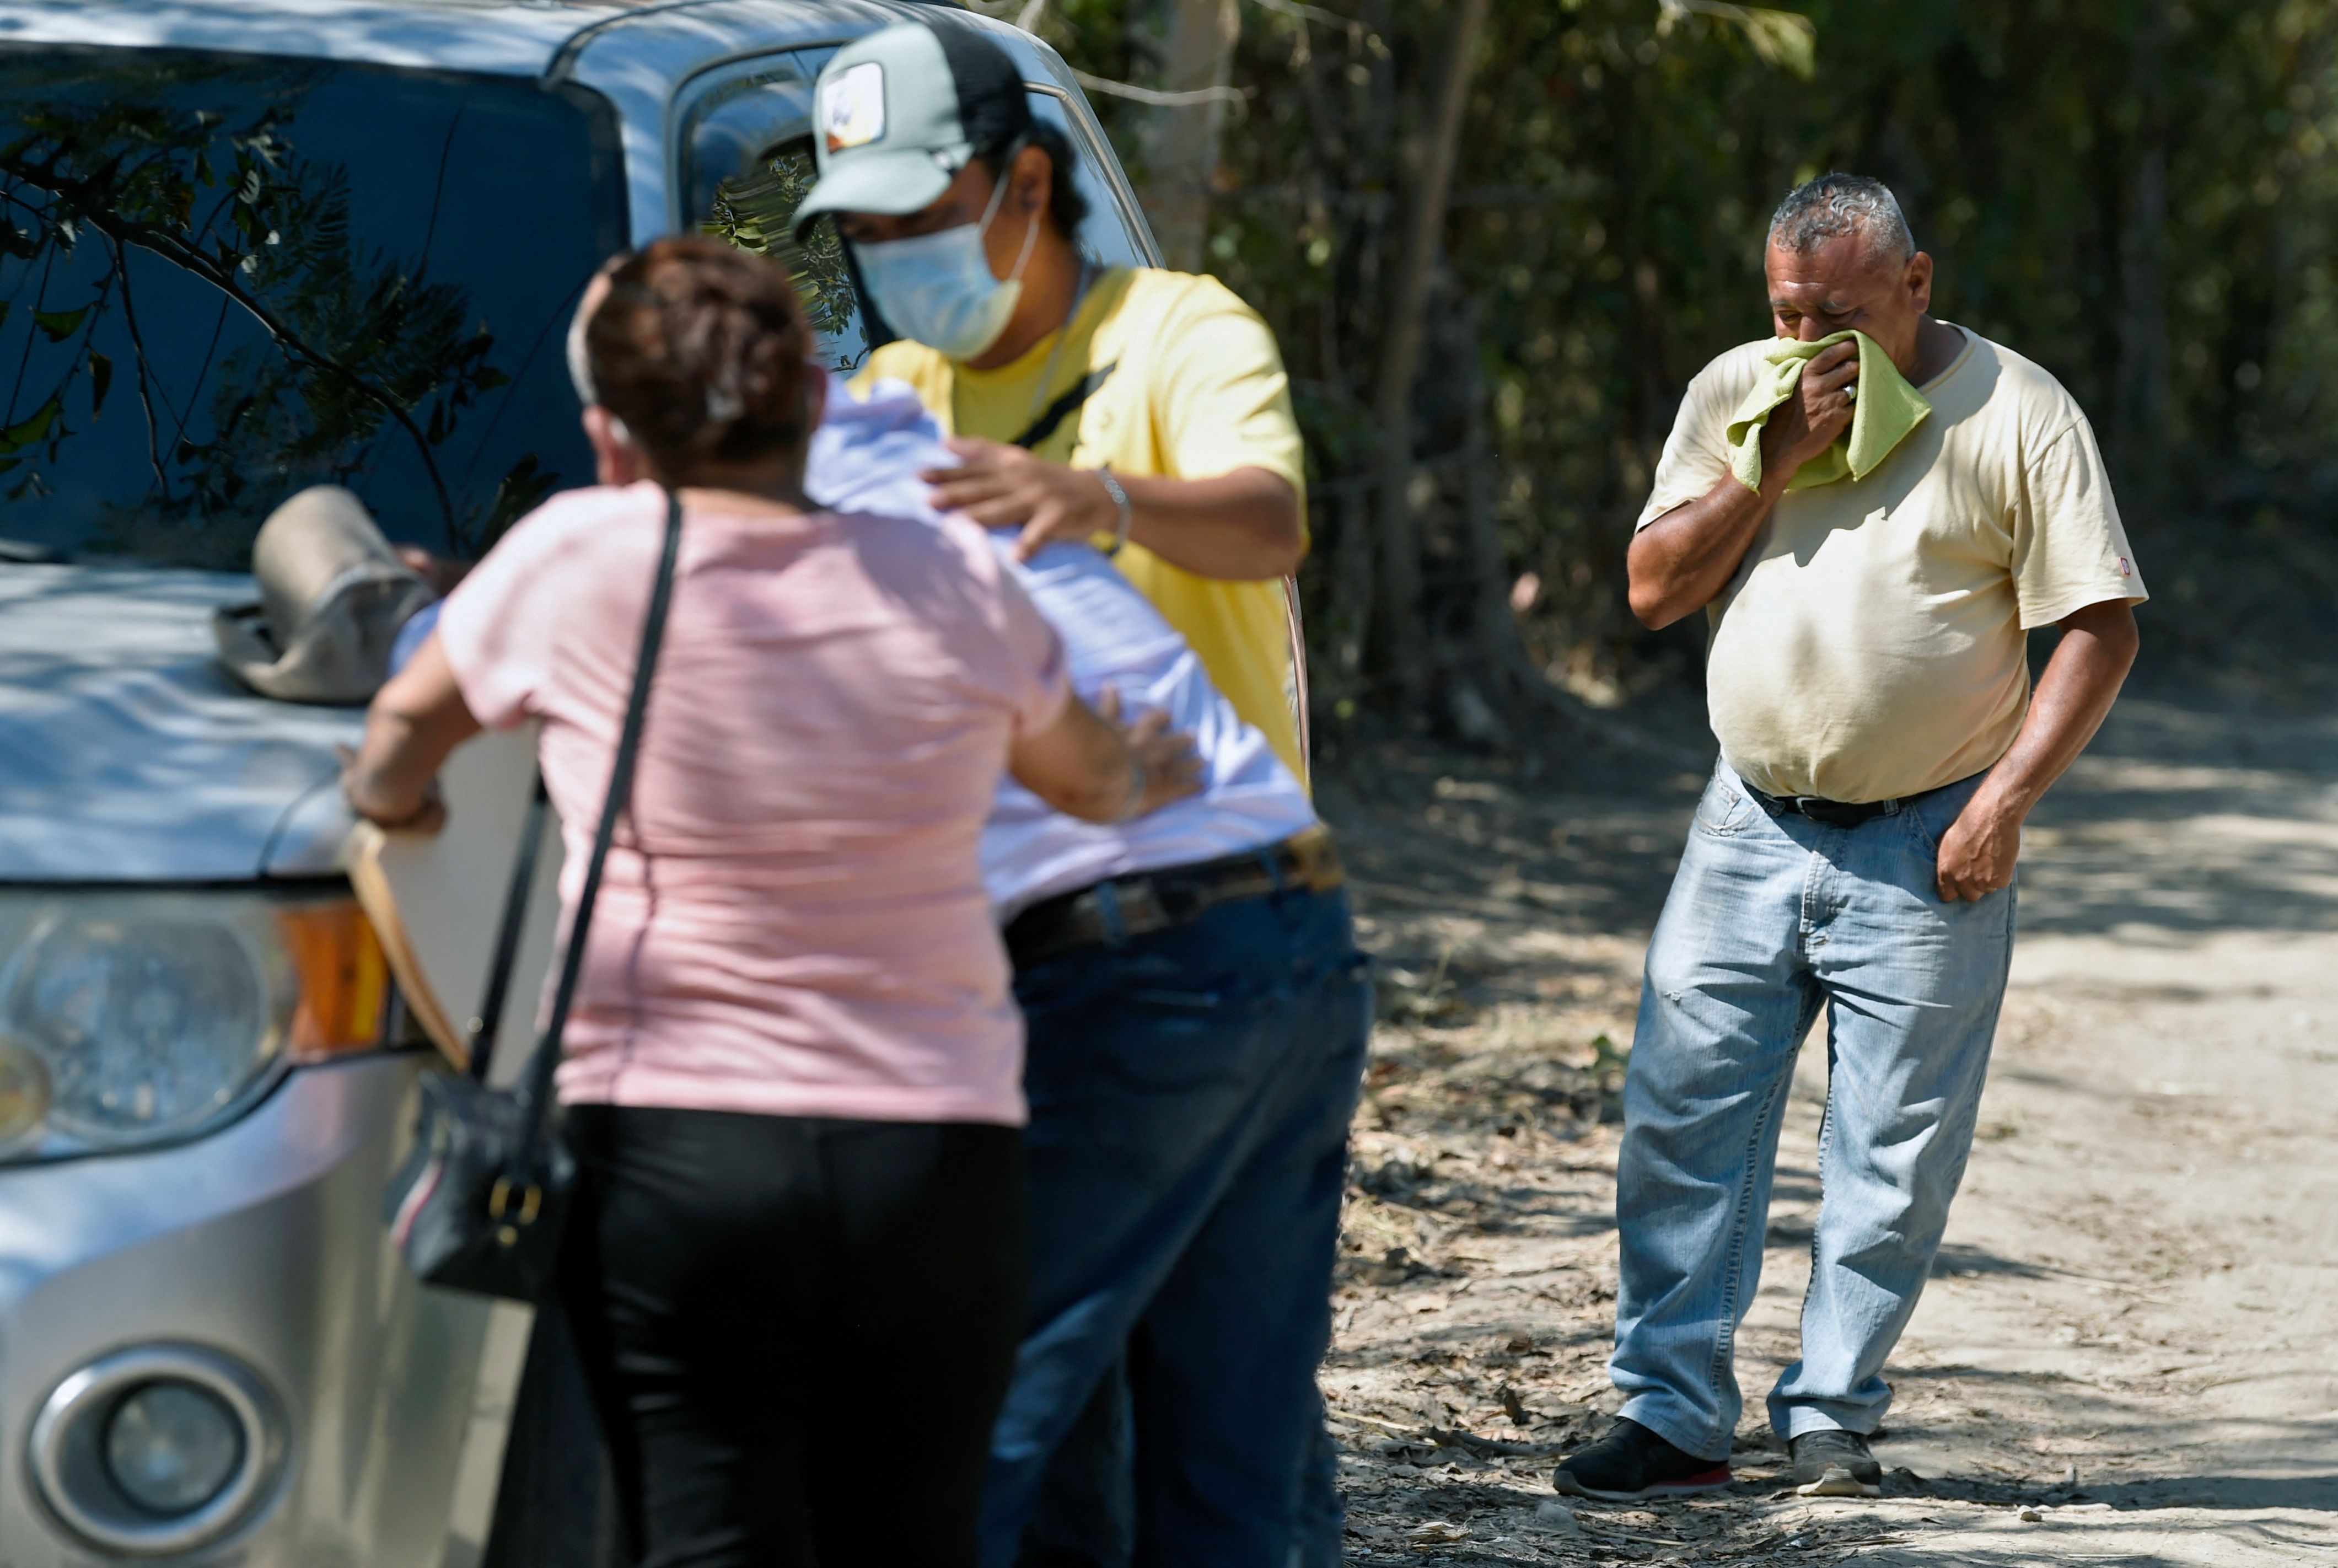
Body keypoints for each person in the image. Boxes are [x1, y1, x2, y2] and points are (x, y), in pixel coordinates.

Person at [341, 238, 1198, 1568]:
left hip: (675, 1158)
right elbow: (1091, 779)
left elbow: (398, 740)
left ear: (610, 437)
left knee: (707, 1535)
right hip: (934, 1156)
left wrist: (406, 820)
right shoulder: (952, 578)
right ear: (811, 397)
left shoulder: (574, 556)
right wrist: (1157, 765)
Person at [1553, 175, 2147, 1502]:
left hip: (1932, 834)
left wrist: (2004, 804)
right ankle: (1673, 1420)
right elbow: (1653, 590)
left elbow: (2099, 627)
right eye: (1787, 312)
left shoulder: (2020, 412)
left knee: (1889, 1150)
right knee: (1680, 1121)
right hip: (1748, 819)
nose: (1813, 343)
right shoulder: (1739, 394)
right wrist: (1771, 463)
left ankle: (1831, 1417)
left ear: (1918, 284)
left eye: (1846, 315)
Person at [813, 375, 1372, 1567]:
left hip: (1135, 966)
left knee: (973, 1417)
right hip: (1295, 921)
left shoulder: (775, 536)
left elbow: (1098, 777)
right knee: (1227, 1452)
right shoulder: (925, 455)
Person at [792, 17, 1312, 784]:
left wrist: (1099, 501)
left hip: (1214, 865)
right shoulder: (889, 394)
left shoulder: (1180, 332)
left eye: (925, 218)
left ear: (1028, 183)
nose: (894, 254)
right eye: (865, 233)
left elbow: (1269, 528)